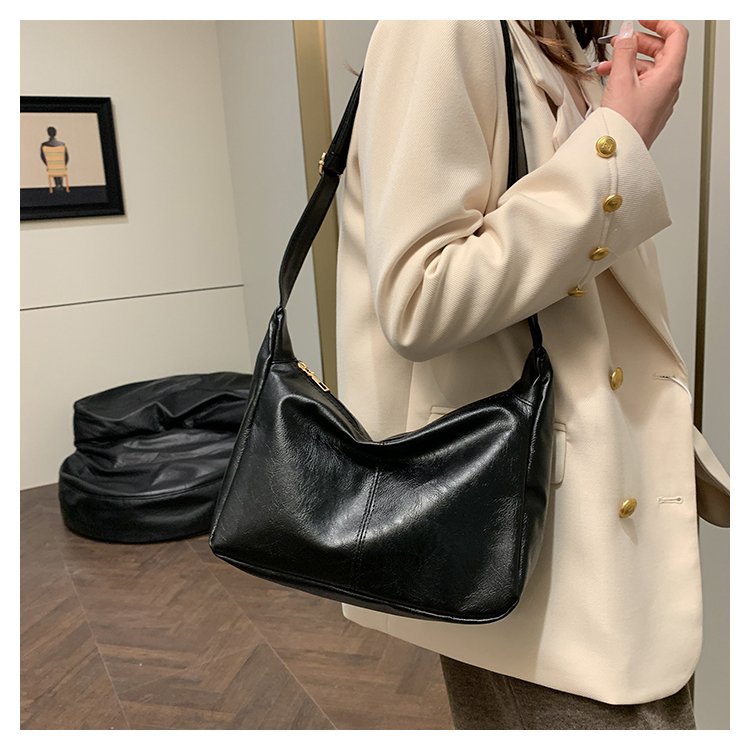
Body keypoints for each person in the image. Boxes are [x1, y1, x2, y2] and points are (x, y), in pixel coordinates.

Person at [334, 20, 730, 730]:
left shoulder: (558, 43)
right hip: (533, 540)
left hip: (602, 522)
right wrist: (617, 145)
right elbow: (419, 296)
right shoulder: (444, 25)